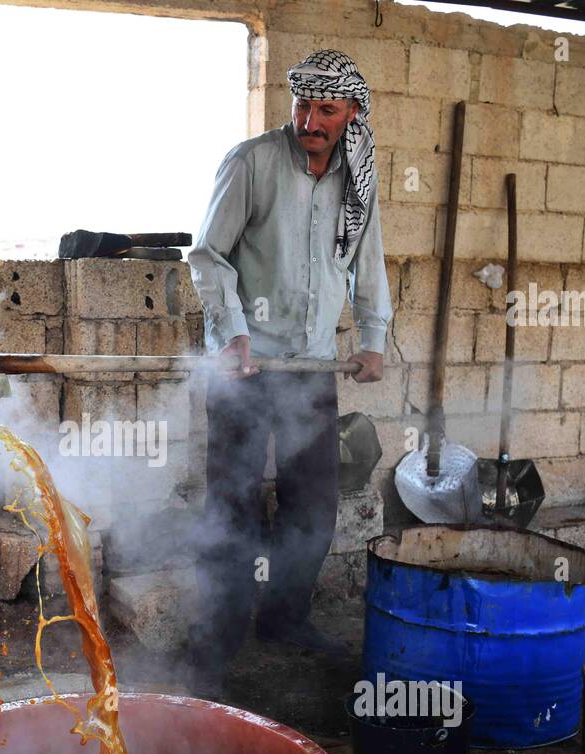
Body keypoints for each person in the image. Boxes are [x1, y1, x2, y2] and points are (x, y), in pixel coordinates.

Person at [184, 49, 392, 694]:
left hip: (310, 366)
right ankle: (218, 632)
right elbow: (209, 255)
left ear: (350, 113)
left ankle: (284, 617)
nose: (310, 119)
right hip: (246, 366)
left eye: (326, 109)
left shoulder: (357, 175)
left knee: (313, 502)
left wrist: (374, 337)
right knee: (234, 498)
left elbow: (368, 259)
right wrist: (232, 334)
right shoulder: (251, 162)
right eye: (303, 105)